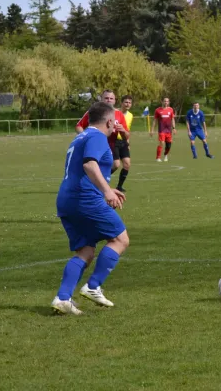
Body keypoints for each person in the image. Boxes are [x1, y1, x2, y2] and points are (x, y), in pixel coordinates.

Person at [52, 102, 130, 315]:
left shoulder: (80, 137)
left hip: (67, 200)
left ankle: (63, 298)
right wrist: (106, 192)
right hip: (85, 199)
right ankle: (93, 286)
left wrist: (108, 187)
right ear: (109, 121)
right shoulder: (97, 137)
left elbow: (81, 170)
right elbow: (89, 165)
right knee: (120, 239)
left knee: (85, 251)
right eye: (115, 120)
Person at [75, 90, 131, 191]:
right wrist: (85, 137)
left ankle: (95, 183)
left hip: (110, 146)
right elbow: (79, 126)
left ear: (115, 101)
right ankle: (91, 184)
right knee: (93, 165)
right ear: (101, 99)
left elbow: (126, 135)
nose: (109, 100)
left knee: (114, 164)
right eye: (106, 98)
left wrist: (122, 131)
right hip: (95, 145)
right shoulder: (94, 112)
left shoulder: (119, 114)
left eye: (111, 98)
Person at [115, 95, 133, 191]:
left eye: (129, 102)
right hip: (113, 141)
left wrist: (128, 143)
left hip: (123, 141)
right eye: (126, 102)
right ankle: (101, 179)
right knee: (116, 164)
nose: (127, 104)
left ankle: (119, 186)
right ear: (121, 103)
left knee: (127, 164)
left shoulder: (130, 115)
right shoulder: (114, 113)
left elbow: (127, 130)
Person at [151, 97, 176, 162]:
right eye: (164, 101)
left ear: (169, 102)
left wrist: (174, 128)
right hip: (161, 130)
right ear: (162, 102)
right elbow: (155, 121)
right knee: (161, 143)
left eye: (167, 101)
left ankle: (165, 155)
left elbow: (172, 119)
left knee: (169, 145)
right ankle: (158, 157)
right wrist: (152, 130)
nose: (166, 102)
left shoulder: (171, 110)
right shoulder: (158, 110)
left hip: (169, 130)